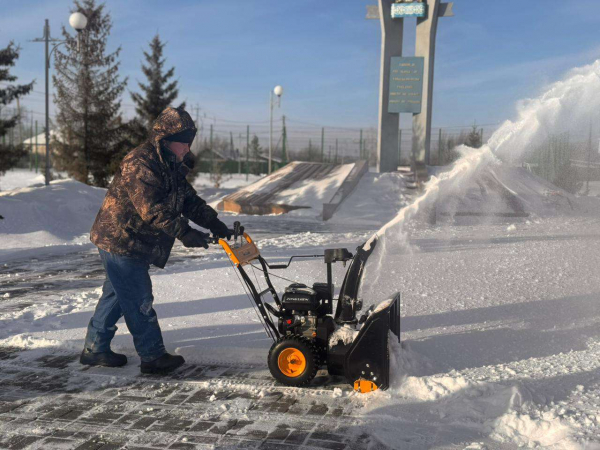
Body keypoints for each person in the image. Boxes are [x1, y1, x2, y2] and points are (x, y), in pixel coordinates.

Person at [81, 106, 233, 374]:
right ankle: (152, 357)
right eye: (183, 143)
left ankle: (95, 349)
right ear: (165, 139)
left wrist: (213, 222)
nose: (187, 148)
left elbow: (187, 199)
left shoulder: (169, 164)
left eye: (189, 143)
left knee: (117, 293)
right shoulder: (141, 162)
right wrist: (184, 232)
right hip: (121, 239)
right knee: (139, 297)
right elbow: (152, 208)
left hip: (135, 240)